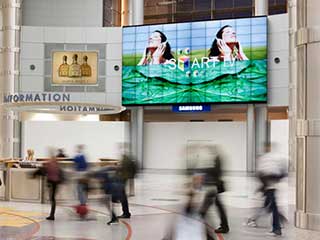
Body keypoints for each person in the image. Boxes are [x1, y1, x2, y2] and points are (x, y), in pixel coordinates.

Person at [247, 143, 287, 236]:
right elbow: (281, 172)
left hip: (269, 185)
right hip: (270, 185)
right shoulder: (273, 158)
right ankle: (278, 223)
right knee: (270, 205)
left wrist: (264, 186)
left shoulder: (266, 158)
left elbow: (261, 174)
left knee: (271, 206)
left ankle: (277, 228)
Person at [199, 145, 229, 234]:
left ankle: (224, 226)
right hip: (214, 187)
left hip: (214, 187)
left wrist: (206, 170)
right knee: (217, 206)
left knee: (206, 208)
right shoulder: (217, 159)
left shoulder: (217, 159)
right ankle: (224, 226)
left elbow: (216, 171)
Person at [33, 148, 63, 220]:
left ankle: (52, 215)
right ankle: (52, 214)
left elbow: (43, 171)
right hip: (55, 182)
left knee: (52, 198)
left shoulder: (50, 163)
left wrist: (35, 174)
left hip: (52, 182)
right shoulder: (56, 163)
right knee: (52, 198)